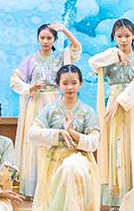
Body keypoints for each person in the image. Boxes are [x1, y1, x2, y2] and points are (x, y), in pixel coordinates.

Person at [22, 65, 104, 211]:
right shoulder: (49, 110)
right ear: (58, 85)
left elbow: (94, 142)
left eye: (74, 83)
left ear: (80, 84)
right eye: (65, 83)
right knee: (66, 166)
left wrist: (73, 133)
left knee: (72, 166)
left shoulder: (87, 111)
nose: (69, 87)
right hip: (55, 160)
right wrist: (59, 133)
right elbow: (32, 133)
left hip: (80, 159)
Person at [10, 22, 82, 198]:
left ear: (54, 39)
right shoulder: (30, 60)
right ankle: (35, 187)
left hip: (55, 102)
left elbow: (76, 48)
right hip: (36, 103)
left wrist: (64, 30)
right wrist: (29, 87)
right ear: (37, 39)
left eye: (49, 38)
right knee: (36, 141)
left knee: (55, 140)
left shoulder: (61, 57)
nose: (45, 41)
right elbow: (14, 80)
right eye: (42, 37)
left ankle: (53, 185)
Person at [88, 18, 134, 209]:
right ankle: (117, 197)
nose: (123, 40)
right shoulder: (110, 57)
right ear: (114, 37)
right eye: (119, 36)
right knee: (117, 144)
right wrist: (114, 53)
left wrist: (119, 102)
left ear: (133, 36)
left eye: (127, 35)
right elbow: (92, 63)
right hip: (113, 106)